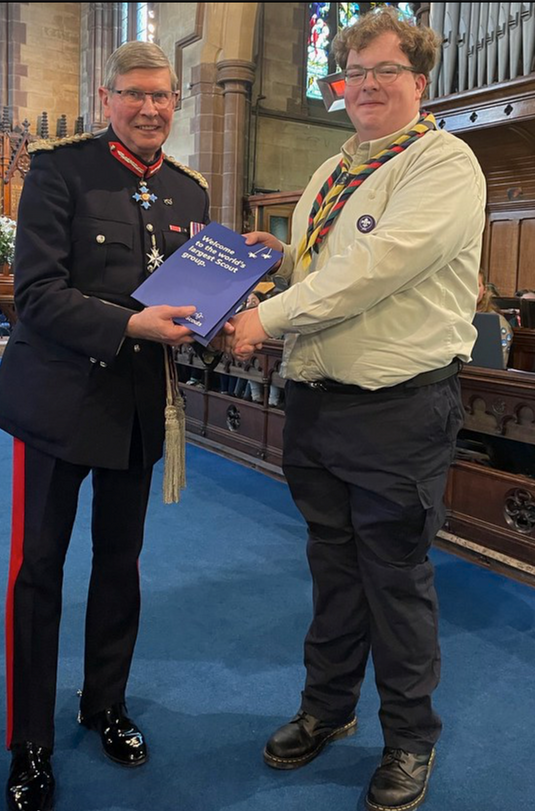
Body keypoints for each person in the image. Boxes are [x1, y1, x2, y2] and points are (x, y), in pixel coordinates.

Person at [224, 9, 486, 811]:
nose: (366, 85)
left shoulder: (444, 164)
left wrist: (263, 318)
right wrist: (265, 260)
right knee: (332, 573)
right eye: (353, 73)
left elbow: (375, 268)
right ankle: (328, 709)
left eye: (384, 70)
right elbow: (323, 262)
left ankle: (410, 739)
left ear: (420, 80)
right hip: (316, 401)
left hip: (397, 411)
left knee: (395, 581)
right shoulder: (333, 170)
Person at [0, 41, 210, 811]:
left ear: (176, 101)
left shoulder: (189, 191)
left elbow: (195, 302)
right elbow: (39, 294)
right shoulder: (60, 169)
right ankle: (30, 742)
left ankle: (104, 702)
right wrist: (135, 323)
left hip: (139, 410)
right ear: (106, 96)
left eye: (164, 95)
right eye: (136, 94)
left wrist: (233, 302)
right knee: (39, 571)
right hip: (57, 403)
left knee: (122, 566)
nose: (151, 107)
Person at [476, 269, 513, 365]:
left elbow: (500, 362)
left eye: (477, 285)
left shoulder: (498, 322)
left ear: (484, 290)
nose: (473, 289)